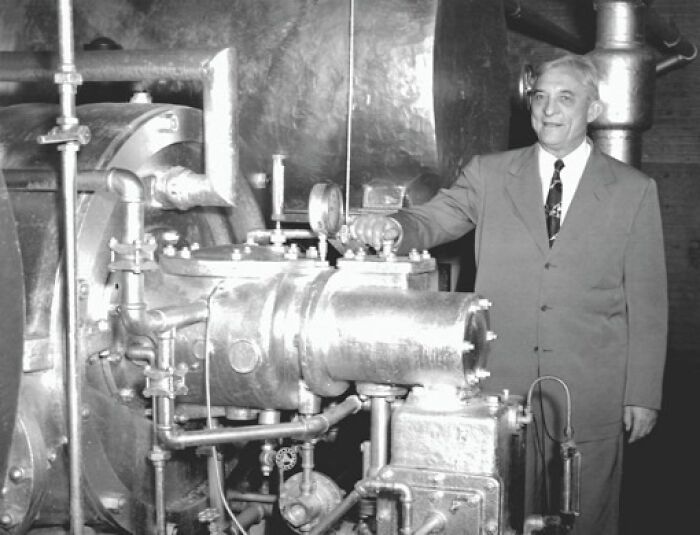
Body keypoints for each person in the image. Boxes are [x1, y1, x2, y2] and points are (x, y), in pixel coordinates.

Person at [351, 54, 667, 535]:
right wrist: (395, 227)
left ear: (594, 109)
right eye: (540, 96)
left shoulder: (633, 190)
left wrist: (643, 393)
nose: (549, 109)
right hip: (501, 382)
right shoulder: (490, 174)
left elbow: (647, 301)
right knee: (499, 514)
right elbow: (433, 218)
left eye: (566, 98)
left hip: (591, 388)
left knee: (586, 517)